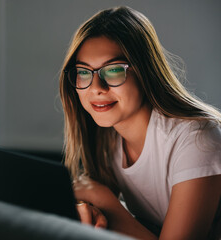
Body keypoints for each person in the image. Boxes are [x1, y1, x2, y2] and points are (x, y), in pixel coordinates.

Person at [59, 6, 221, 240]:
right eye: (83, 72)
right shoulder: (108, 139)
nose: (96, 88)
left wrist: (106, 202)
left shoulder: (197, 138)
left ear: (146, 71)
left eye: (114, 70)